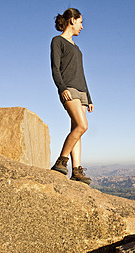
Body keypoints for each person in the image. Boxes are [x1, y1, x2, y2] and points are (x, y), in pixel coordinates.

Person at [50, 8, 94, 185]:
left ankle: (76, 170)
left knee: (77, 130)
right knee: (83, 126)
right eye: (81, 22)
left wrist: (89, 98)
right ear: (72, 20)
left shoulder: (77, 48)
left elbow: (82, 74)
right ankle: (61, 161)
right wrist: (61, 88)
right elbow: (55, 68)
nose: (82, 26)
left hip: (82, 91)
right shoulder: (57, 41)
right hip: (69, 89)